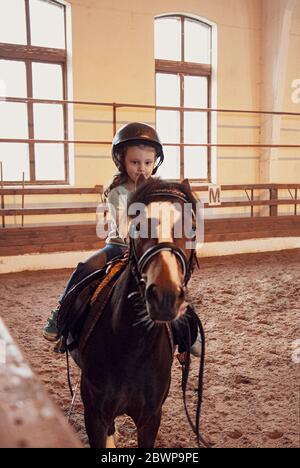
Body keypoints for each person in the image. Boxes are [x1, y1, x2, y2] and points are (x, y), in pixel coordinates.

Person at [43, 122, 201, 356]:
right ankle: (61, 318)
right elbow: (125, 226)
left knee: (174, 280)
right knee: (85, 268)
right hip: (118, 247)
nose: (142, 169)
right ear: (122, 161)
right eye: (135, 162)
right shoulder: (117, 192)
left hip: (150, 247)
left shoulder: (157, 190)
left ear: (155, 162)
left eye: (147, 163)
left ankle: (188, 335)